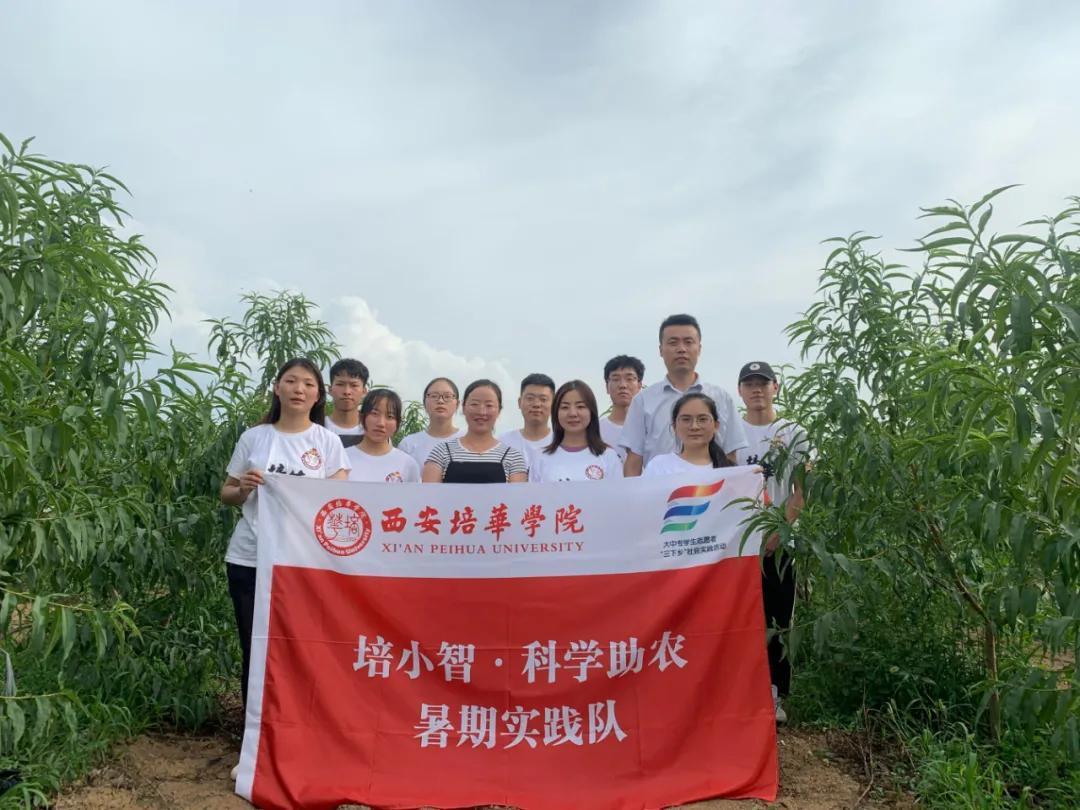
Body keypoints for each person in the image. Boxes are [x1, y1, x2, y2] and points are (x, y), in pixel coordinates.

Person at [218, 358, 349, 778]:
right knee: (255, 650)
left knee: (301, 651)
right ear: (277, 388)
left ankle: (301, 741)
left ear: (318, 394)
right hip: (250, 558)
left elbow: (336, 504)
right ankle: (254, 746)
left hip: (303, 564)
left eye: (308, 383)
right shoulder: (254, 437)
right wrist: (243, 487)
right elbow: (226, 493)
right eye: (290, 381)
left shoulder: (327, 443)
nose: (298, 389)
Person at [736, 361, 809, 725]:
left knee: (778, 619)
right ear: (740, 391)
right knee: (739, 619)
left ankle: (776, 693)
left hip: (780, 544)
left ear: (775, 388)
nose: (756, 390)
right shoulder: (730, 432)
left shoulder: (794, 432)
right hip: (737, 545)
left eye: (762, 383)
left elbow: (802, 490)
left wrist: (780, 529)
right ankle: (740, 691)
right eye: (749, 384)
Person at [622, 314, 746, 476]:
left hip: (711, 488)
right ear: (661, 350)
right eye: (673, 343)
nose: (681, 349)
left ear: (699, 348)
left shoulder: (722, 398)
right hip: (661, 488)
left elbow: (730, 455)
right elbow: (634, 460)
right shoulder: (643, 401)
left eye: (688, 342)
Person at [423, 379, 528, 484]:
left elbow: (518, 494)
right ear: (463, 408)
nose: (481, 412)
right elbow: (429, 493)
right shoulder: (441, 452)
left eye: (489, 405)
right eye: (474, 404)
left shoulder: (513, 457)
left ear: (499, 410)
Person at [530, 380, 624, 482]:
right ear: (556, 413)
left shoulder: (608, 456)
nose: (573, 413)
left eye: (580, 407)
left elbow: (617, 492)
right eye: (565, 407)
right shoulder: (541, 457)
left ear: (591, 411)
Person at [643, 393, 734, 476]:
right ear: (674, 427)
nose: (694, 426)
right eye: (686, 419)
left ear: (716, 426)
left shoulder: (730, 471)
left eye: (702, 419)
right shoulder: (659, 467)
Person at [345, 389, 420, 483]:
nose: (381, 423)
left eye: (390, 416)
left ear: (398, 423)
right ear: (361, 417)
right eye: (374, 414)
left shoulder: (408, 465)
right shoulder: (343, 458)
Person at [398, 377, 465, 468]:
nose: (440, 401)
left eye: (447, 396)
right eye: (434, 396)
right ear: (424, 403)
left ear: (457, 404)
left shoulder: (469, 440)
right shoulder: (408, 444)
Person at [497, 373, 555, 472]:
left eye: (543, 399)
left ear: (554, 404)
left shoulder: (561, 442)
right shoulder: (502, 442)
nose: (536, 404)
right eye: (530, 398)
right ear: (519, 402)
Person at [598, 355, 644, 462]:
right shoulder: (596, 430)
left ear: (639, 385)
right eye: (615, 379)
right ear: (607, 387)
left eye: (629, 379)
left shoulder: (650, 428)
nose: (623, 385)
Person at [325, 358, 369, 438]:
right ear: (330, 390)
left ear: (364, 392)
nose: (347, 392)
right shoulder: (317, 428)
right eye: (340, 384)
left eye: (354, 385)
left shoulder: (373, 430)